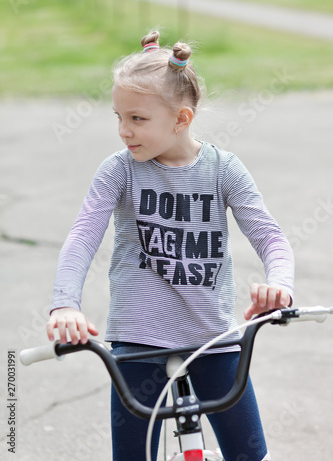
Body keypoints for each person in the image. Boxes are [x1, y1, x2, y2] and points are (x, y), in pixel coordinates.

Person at [47, 30, 294, 461]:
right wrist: (65, 304)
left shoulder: (224, 170)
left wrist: (280, 285)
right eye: (118, 116)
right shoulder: (119, 171)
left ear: (181, 119)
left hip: (212, 338)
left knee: (250, 454)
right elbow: (82, 236)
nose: (123, 130)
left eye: (137, 119)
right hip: (138, 341)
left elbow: (271, 237)